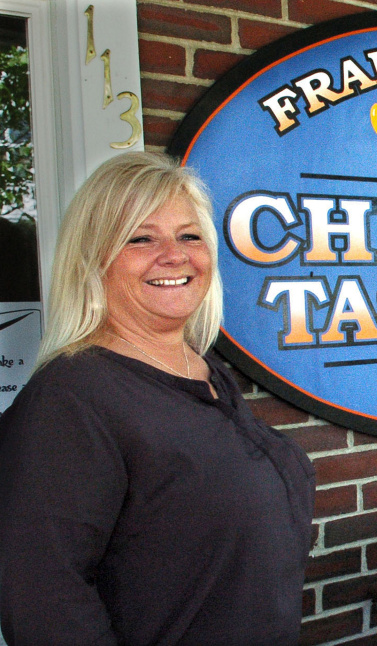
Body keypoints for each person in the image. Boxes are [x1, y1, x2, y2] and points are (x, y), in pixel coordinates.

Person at [0, 152, 316, 645]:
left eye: (189, 236)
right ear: (93, 259)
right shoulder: (69, 401)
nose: (174, 255)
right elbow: (44, 604)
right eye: (141, 238)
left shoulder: (202, 368)